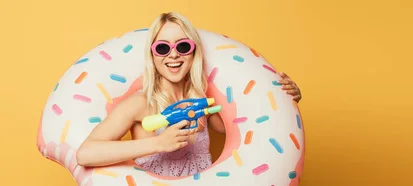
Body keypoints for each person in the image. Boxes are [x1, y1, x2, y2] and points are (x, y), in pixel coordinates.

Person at [75, 12, 303, 177]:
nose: (173, 55)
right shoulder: (140, 103)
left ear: (193, 52)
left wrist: (283, 96)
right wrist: (158, 144)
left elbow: (248, 123)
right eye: (162, 48)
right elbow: (85, 154)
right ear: (152, 56)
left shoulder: (202, 103)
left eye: (182, 47)